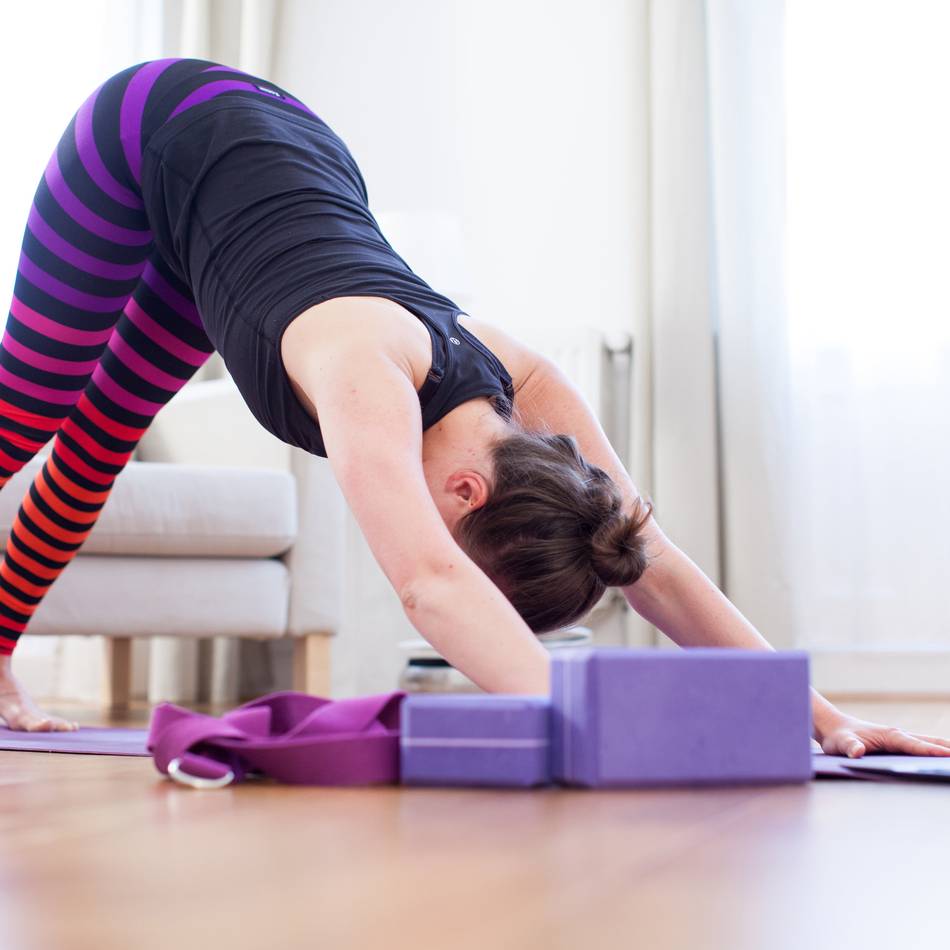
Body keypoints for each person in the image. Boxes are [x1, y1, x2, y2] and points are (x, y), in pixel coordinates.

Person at [0, 60, 947, 760]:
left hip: (270, 176)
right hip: (153, 131)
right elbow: (428, 583)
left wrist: (822, 717)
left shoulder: (526, 387)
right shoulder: (367, 375)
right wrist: (592, 740)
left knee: (94, 449)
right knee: (22, 421)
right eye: (471, 560)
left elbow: (647, 556)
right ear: (464, 491)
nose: (450, 561)